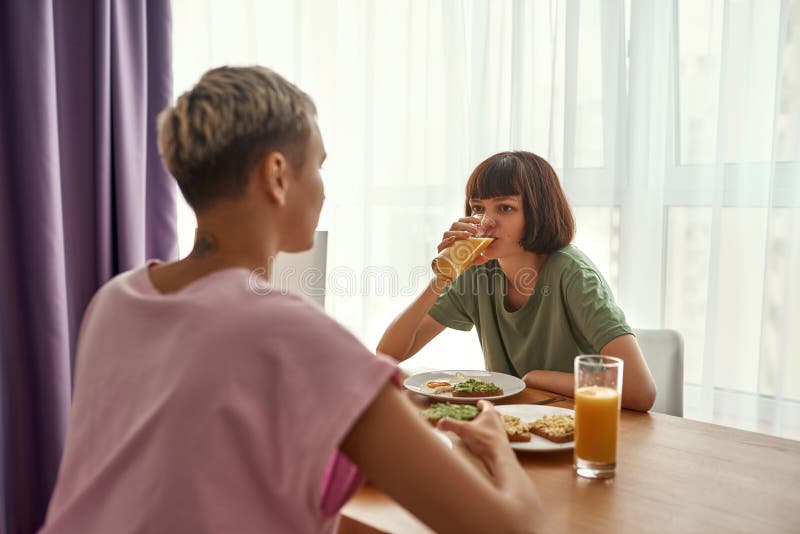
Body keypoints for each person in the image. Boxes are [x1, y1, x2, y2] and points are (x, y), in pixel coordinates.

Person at [38, 67, 545, 534]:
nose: (323, 189)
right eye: (318, 166)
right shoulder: (292, 336)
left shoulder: (115, 302)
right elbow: (511, 527)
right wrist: (497, 445)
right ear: (277, 174)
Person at [377, 151, 657, 412]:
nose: (486, 222)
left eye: (505, 208)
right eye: (478, 208)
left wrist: (537, 378)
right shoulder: (478, 272)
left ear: (538, 213)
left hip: (584, 426)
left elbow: (639, 391)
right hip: (515, 427)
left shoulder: (573, 274)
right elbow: (388, 354)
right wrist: (443, 276)